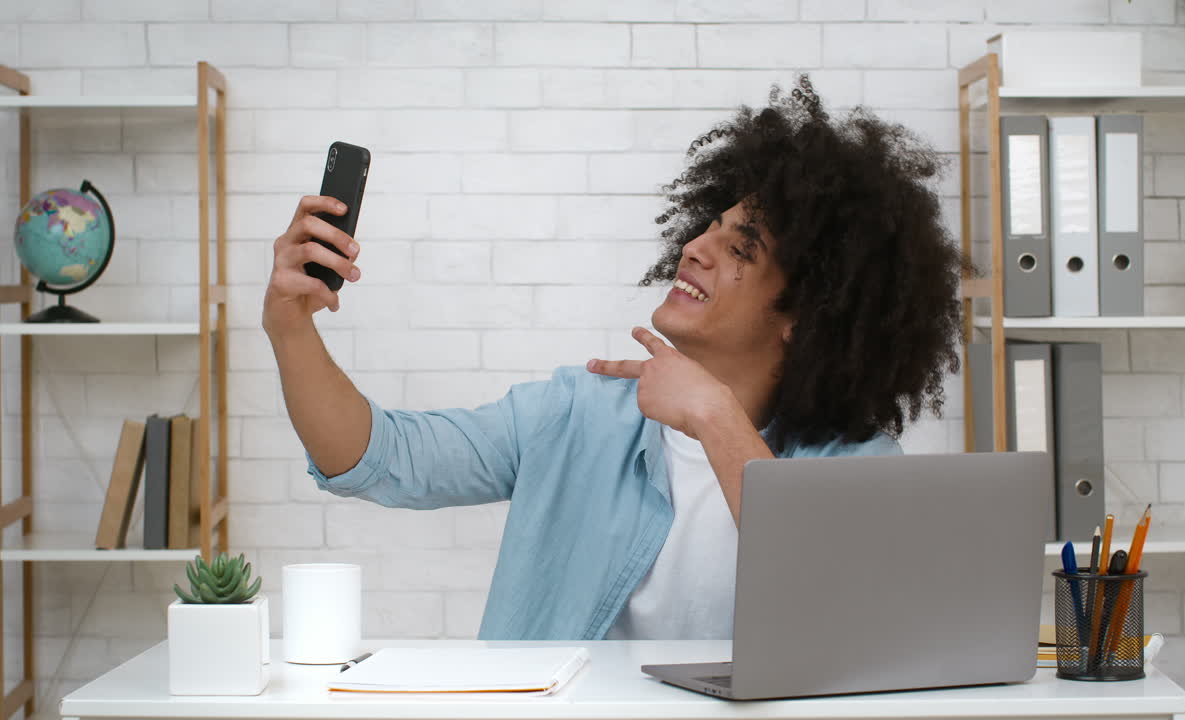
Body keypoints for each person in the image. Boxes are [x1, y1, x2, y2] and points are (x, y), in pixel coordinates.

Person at [262, 76, 966, 641]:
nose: (695, 248)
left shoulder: (857, 466)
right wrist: (290, 328)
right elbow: (381, 457)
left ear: (808, 315)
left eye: (740, 250)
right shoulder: (578, 413)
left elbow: (858, 615)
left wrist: (714, 414)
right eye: (709, 227)